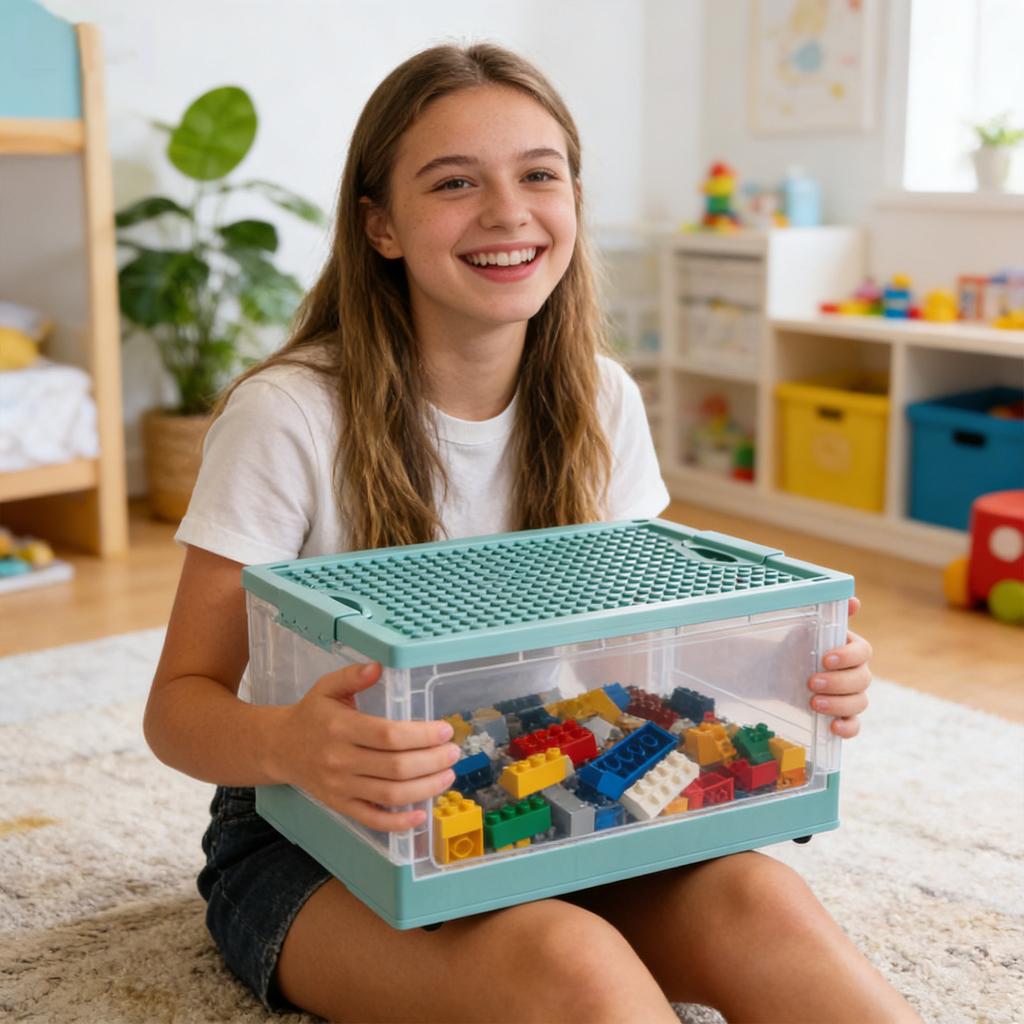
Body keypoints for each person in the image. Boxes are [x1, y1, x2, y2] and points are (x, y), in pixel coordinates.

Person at [144, 42, 921, 1024]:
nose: (508, 212)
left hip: (551, 781)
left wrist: (792, 667)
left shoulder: (603, 397)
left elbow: (631, 653)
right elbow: (178, 707)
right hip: (314, 830)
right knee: (570, 963)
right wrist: (296, 746)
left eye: (539, 175)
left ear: (574, 202)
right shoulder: (288, 415)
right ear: (379, 225)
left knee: (764, 902)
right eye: (454, 182)